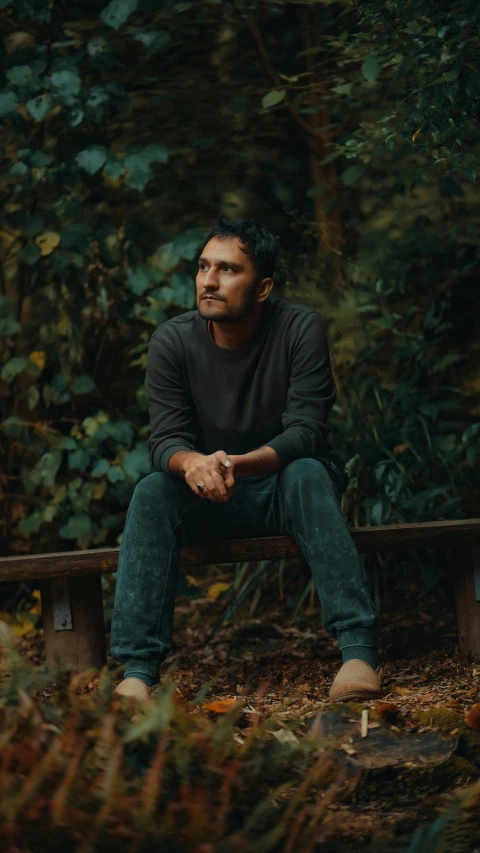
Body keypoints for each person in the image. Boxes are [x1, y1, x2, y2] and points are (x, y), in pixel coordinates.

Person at [110, 214, 382, 705]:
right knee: (152, 489)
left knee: (305, 470)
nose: (209, 281)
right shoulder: (172, 341)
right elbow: (165, 440)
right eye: (203, 267)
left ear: (263, 288)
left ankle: (357, 652)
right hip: (211, 495)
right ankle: (138, 670)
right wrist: (194, 464)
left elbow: (307, 432)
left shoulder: (300, 328)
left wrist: (237, 464)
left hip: (287, 488)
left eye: (229, 270)